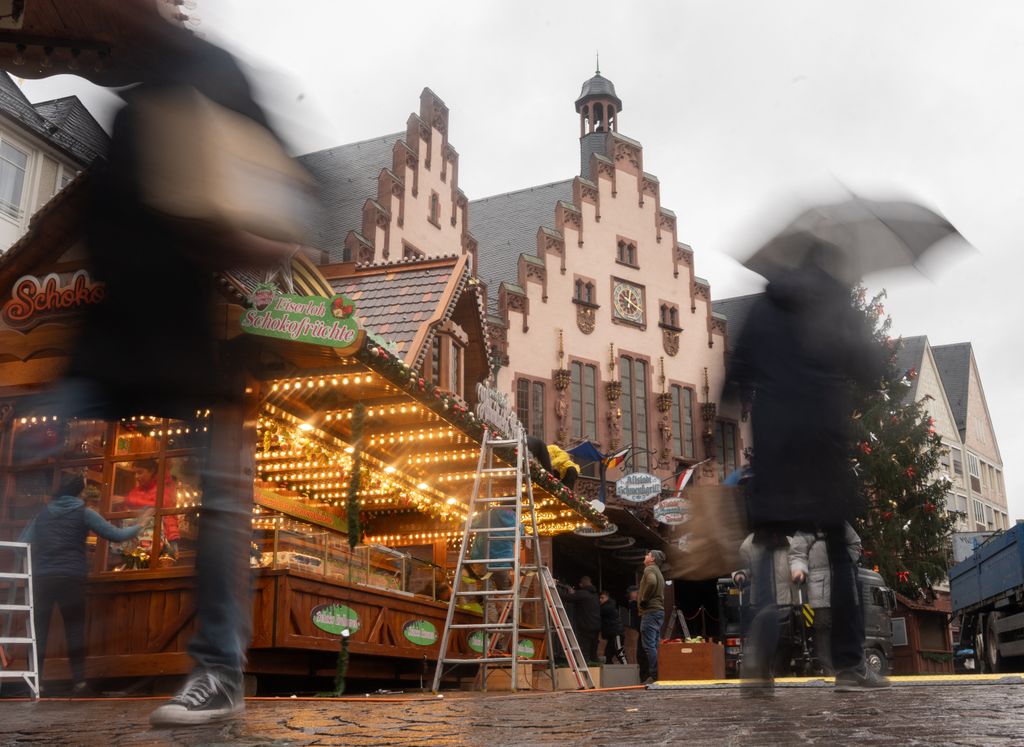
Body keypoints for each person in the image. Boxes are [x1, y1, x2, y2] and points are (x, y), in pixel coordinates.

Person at [55, 2, 308, 726]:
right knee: (29, 473)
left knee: (220, 504)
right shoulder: (127, 98)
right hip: (112, 337)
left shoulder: (211, 74)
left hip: (197, 340)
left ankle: (218, 669)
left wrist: (247, 235)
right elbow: (104, 220)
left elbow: (279, 192)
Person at [725, 245, 890, 692]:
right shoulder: (833, 301)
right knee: (838, 550)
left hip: (776, 446)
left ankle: (759, 659)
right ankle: (851, 666)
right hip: (822, 444)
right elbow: (871, 367)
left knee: (766, 548)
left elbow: (735, 372)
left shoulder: (764, 304)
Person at [20, 474, 151, 695]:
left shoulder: (41, 516)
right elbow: (116, 535)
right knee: (74, 630)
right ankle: (79, 683)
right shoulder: (83, 513)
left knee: (39, 631)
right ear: (80, 493)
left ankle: (36, 682)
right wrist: (141, 525)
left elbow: (22, 542)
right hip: (72, 578)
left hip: (43, 579)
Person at [790, 522, 863, 674]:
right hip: (819, 587)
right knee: (823, 626)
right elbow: (797, 553)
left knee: (845, 625)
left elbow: (855, 544)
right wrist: (798, 569)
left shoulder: (841, 524)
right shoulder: (806, 529)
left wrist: (846, 561)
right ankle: (829, 669)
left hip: (842, 582)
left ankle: (848, 667)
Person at [732, 532, 796, 679]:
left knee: (784, 640)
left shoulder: (790, 543)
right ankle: (766, 672)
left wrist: (798, 570)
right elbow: (741, 563)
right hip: (760, 603)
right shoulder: (749, 543)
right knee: (764, 641)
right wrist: (739, 574)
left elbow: (797, 560)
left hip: (784, 601)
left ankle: (779, 672)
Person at [121, 459, 180, 560]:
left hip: (166, 536)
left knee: (164, 571)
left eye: (140, 472)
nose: (136, 476)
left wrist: (125, 500)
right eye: (135, 473)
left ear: (152, 471)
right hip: (142, 538)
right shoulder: (139, 489)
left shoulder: (165, 484)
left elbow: (157, 505)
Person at [638, 550, 666, 684]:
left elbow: (651, 583)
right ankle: (660, 673)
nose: (645, 556)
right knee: (655, 644)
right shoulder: (659, 572)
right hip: (659, 611)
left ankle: (655, 675)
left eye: (647, 555)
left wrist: (644, 598)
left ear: (652, 558)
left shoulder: (649, 569)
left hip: (650, 611)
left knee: (649, 645)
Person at [564, 576, 601, 662]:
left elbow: (566, 598)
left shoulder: (582, 593)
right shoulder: (595, 595)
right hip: (596, 625)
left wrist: (570, 593)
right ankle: (595, 668)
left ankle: (586, 668)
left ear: (581, 584)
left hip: (585, 625)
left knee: (585, 650)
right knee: (593, 650)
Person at [599, 590, 625, 664]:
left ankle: (626, 669)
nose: (600, 600)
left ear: (607, 598)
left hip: (617, 634)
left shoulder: (608, 606)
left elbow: (600, 611)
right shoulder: (607, 606)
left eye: (602, 598)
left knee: (620, 652)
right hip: (612, 635)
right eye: (599, 598)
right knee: (608, 655)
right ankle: (610, 673)